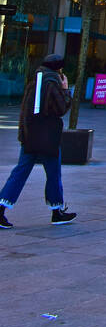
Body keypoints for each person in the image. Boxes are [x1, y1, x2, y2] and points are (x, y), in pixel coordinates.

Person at [0, 55, 77, 228]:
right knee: (53, 173)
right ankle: (56, 212)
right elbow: (60, 108)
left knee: (20, 172)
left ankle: (1, 208)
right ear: (58, 69)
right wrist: (65, 90)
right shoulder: (52, 83)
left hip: (31, 135)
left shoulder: (36, 80)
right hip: (46, 138)